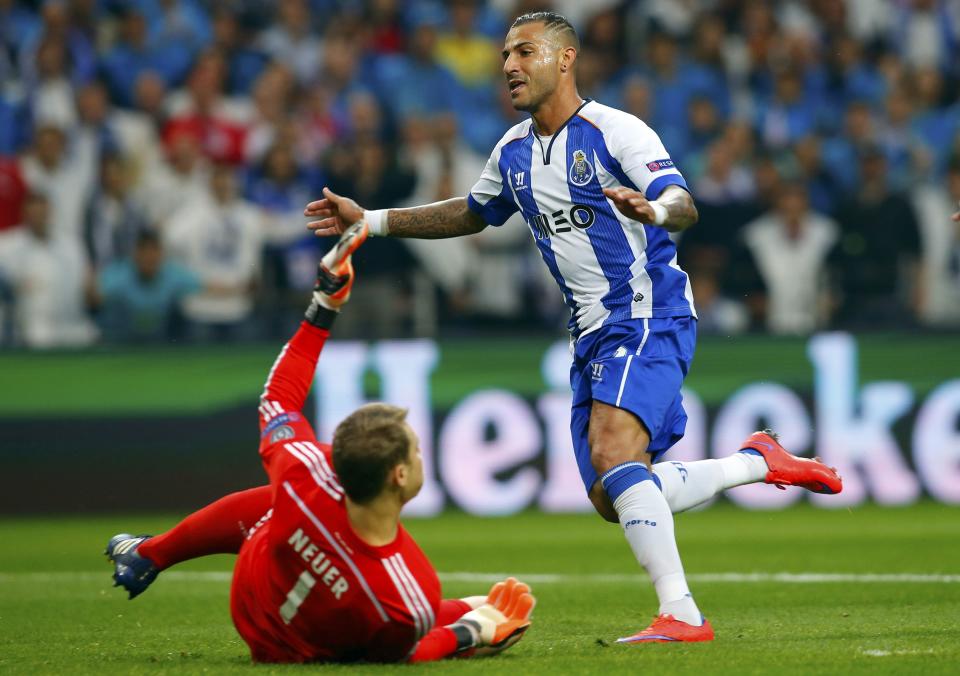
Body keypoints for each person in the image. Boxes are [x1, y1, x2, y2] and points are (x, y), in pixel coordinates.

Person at [304, 11, 843, 643]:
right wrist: (371, 219)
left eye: (524, 52)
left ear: (564, 60)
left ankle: (682, 615)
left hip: (646, 311)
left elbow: (683, 201)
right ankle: (758, 461)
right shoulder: (512, 151)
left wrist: (655, 208)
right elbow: (473, 214)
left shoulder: (618, 132)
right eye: (505, 54)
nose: (508, 65)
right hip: (588, 332)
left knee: (615, 454)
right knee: (613, 493)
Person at [105, 222, 535, 663]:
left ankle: (149, 553)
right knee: (390, 614)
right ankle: (149, 552)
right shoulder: (409, 585)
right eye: (416, 449)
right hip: (297, 649)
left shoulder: (308, 473)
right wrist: (470, 630)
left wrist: (323, 307)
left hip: (252, 601)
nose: (423, 454)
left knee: (281, 497)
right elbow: (405, 648)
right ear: (399, 474)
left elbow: (277, 398)